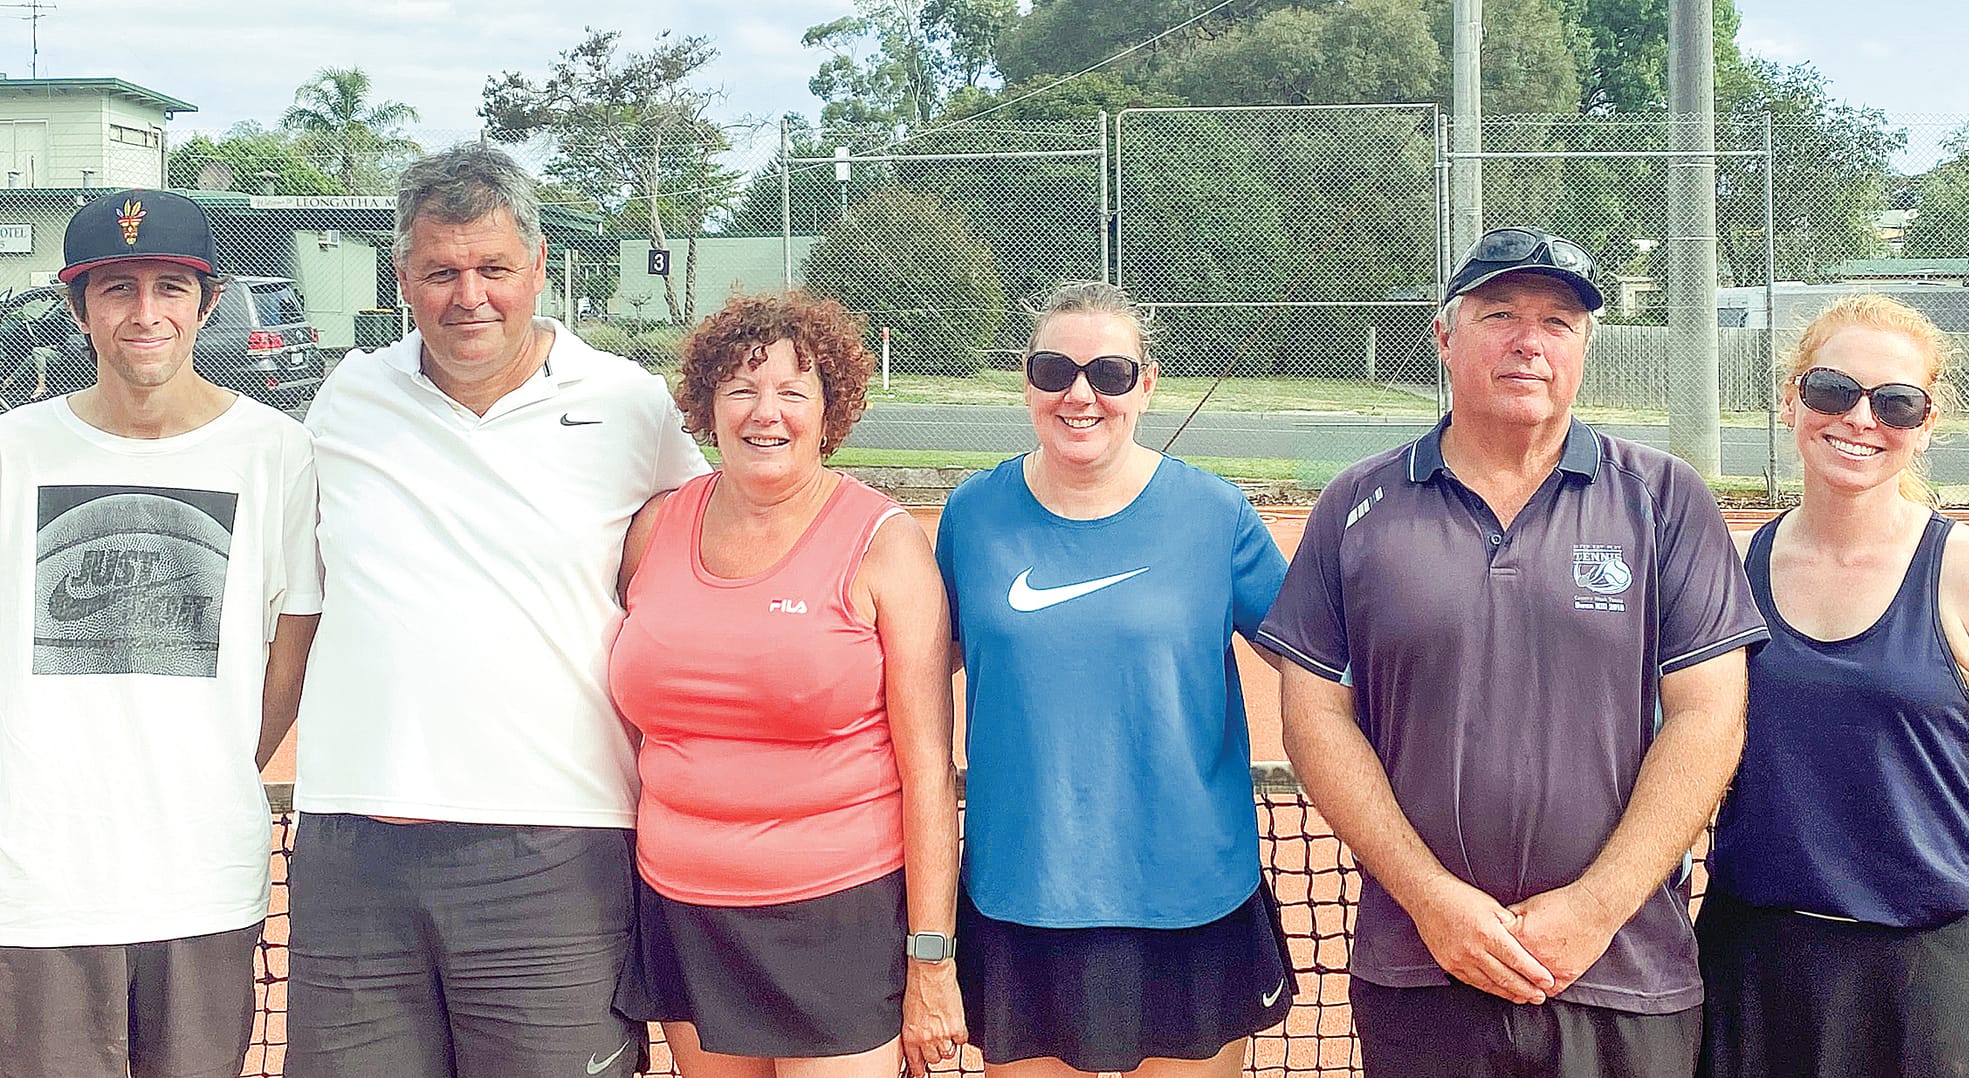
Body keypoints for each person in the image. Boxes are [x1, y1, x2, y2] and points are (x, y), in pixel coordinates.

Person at [1259, 226, 1768, 1077]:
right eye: (1499, 314)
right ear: (1446, 336)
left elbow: (1710, 716)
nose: (1529, 341)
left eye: (1558, 322)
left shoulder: (1666, 497)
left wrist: (1596, 909)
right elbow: (1315, 715)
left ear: (1584, 348)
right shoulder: (1359, 502)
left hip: (1625, 974)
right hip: (1422, 965)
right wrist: (1433, 902)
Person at [284, 144, 709, 1078]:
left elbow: (720, 551)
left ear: (539, 269)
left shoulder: (628, 405)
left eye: (493, 269)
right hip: (355, 849)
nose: (468, 295)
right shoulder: (347, 397)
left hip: (557, 845)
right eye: (441, 271)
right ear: (404, 277)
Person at [933, 281, 1295, 1077]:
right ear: (1026, 381)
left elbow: (1318, 663)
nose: (1080, 394)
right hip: (1022, 893)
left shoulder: (1216, 513)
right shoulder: (972, 516)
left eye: (1111, 372)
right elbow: (903, 677)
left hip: (1191, 895)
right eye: (1054, 368)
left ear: (1148, 383)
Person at [0, 189, 319, 1078]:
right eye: (117, 288)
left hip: (204, 878)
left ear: (206, 303)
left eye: (170, 287)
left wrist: (216, 764)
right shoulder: (12, 451)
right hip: (32, 887)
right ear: (79, 309)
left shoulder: (276, 451)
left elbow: (290, 637)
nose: (147, 313)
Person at [608, 291, 964, 1076]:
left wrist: (930, 960)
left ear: (829, 410)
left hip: (839, 916)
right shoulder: (654, 529)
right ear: (707, 404)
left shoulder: (885, 545)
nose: (765, 412)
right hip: (683, 908)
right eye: (741, 387)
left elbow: (928, 772)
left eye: (793, 391)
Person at [1697, 295, 1969, 1078]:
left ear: (1926, 425)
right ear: (1790, 397)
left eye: (1896, 402)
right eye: (1834, 390)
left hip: (1932, 975)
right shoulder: (1728, 569)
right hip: (1755, 966)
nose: (1861, 419)